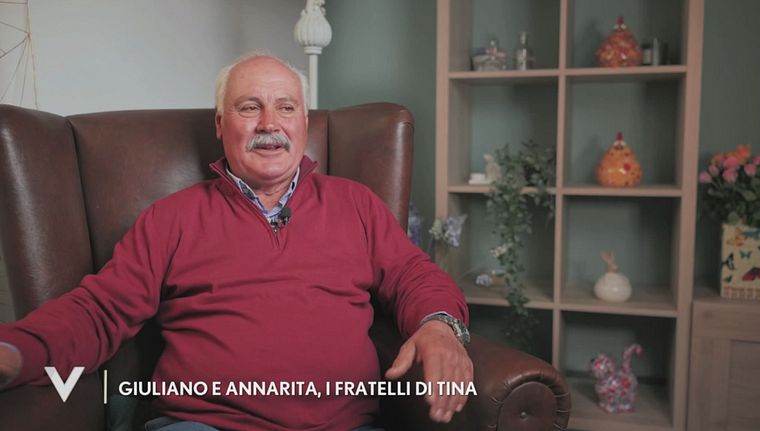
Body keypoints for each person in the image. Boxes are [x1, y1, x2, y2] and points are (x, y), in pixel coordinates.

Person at [0, 53, 473, 431]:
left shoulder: (356, 204)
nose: (270, 123)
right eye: (249, 107)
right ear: (220, 124)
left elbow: (415, 277)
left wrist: (439, 325)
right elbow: (100, 310)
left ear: (304, 123)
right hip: (203, 423)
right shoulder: (171, 218)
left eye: (286, 107)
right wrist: (17, 350)